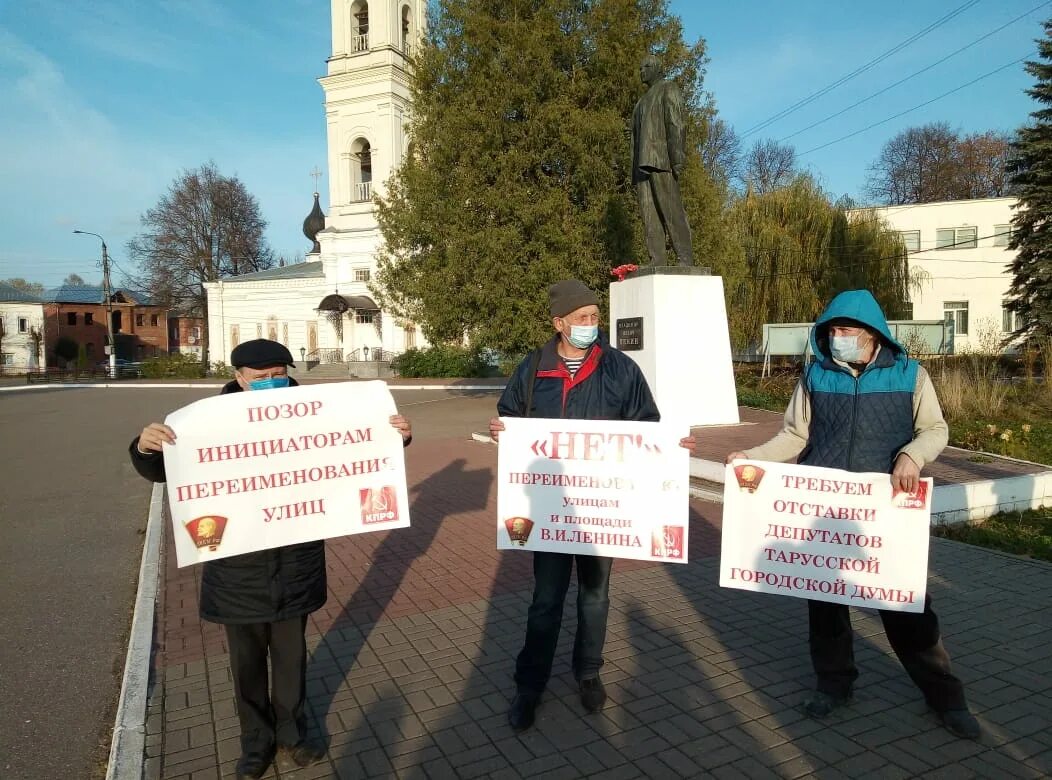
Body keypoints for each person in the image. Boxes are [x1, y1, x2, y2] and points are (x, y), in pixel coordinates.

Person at [129, 339, 413, 778]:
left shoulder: (315, 414)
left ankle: (293, 736)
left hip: (295, 564)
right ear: (238, 377)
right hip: (237, 571)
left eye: (277, 374)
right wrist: (146, 447)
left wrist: (395, 435)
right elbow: (162, 469)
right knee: (246, 666)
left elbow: (356, 452)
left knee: (290, 659)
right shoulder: (204, 422)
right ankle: (255, 745)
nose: (269, 383)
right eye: (258, 377)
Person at [726, 290, 980, 740]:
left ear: (871, 334)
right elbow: (794, 434)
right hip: (823, 508)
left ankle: (946, 697)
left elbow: (934, 429)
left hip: (884, 510)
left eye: (846, 331)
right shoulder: (816, 375)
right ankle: (834, 685)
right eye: (832, 330)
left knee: (907, 608)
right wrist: (753, 457)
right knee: (825, 604)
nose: (837, 337)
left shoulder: (910, 375)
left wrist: (912, 457)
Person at [490, 279, 695, 731]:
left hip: (604, 510)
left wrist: (672, 445)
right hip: (549, 512)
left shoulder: (620, 369)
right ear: (558, 322)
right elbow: (510, 415)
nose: (590, 325)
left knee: (595, 597)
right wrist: (501, 430)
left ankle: (588, 672)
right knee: (545, 600)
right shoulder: (533, 368)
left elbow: (648, 427)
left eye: (594, 317)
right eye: (580, 318)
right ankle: (530, 683)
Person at [632, 54, 694, 267]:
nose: (642, 71)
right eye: (640, 67)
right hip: (641, 167)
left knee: (671, 211)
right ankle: (656, 259)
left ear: (658, 68)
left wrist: (677, 158)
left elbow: (676, 123)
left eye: (646, 66)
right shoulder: (640, 103)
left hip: (662, 161)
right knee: (649, 217)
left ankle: (685, 257)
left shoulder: (668, 88)